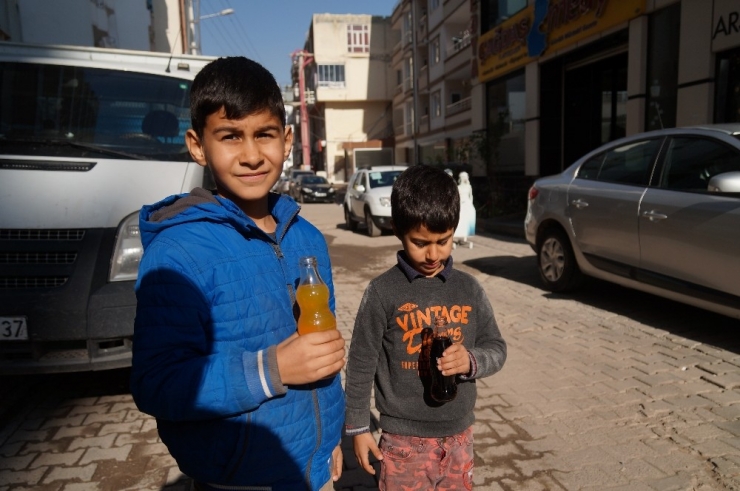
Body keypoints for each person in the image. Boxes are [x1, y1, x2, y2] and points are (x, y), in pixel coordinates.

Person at [130, 56, 346, 491]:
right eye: (230, 136)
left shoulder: (307, 238)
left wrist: (330, 440)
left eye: (264, 135)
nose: (251, 156)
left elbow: (321, 343)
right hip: (238, 477)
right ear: (197, 145)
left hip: (315, 465)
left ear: (286, 140)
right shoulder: (178, 253)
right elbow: (157, 383)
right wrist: (272, 369)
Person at [344, 164, 507, 490]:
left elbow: (496, 348)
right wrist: (359, 428)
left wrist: (471, 361)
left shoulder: (469, 289)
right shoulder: (382, 291)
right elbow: (361, 363)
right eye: (420, 242)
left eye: (443, 241)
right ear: (397, 230)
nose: (433, 254)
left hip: (459, 436)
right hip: (402, 441)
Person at [454, 171, 476, 242]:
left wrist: (471, 203)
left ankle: (467, 235)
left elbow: (471, 196)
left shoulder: (469, 186)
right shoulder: (458, 187)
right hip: (461, 204)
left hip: (468, 204)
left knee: (468, 218)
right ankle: (460, 234)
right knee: (461, 219)